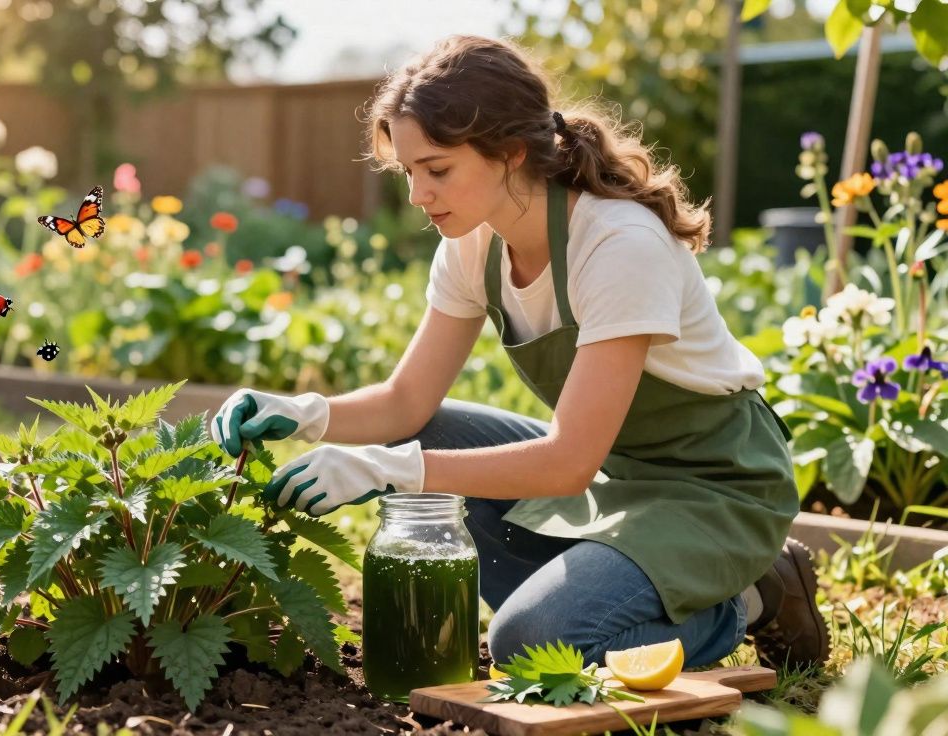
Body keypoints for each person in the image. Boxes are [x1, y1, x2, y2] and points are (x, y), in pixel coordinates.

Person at [208, 35, 829, 671]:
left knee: (531, 644)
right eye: (410, 173)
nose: (419, 195)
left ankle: (745, 600)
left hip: (712, 489)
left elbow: (566, 464)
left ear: (508, 153)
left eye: (438, 169)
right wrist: (303, 411)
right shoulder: (472, 245)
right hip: (617, 471)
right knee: (430, 433)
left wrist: (387, 469)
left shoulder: (618, 246)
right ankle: (621, 586)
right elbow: (405, 402)